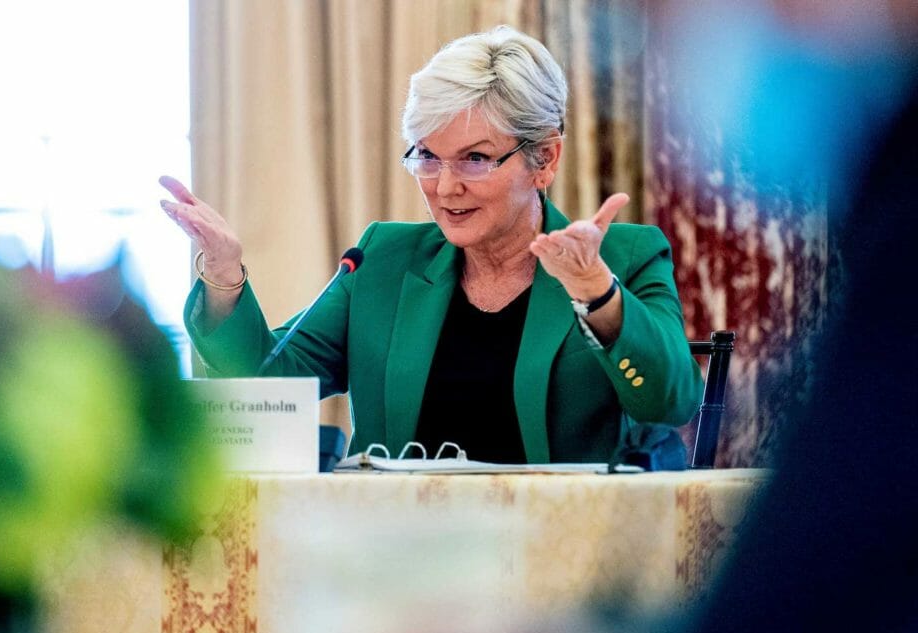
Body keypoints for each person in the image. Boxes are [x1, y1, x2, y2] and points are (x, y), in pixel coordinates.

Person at [159, 25, 703, 464]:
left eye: (475, 158)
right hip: (397, 559)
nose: (445, 187)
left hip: (560, 563)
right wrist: (224, 275)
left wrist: (595, 291)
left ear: (546, 159)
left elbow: (670, 401)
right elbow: (264, 385)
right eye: (427, 156)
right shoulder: (383, 260)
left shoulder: (625, 257)